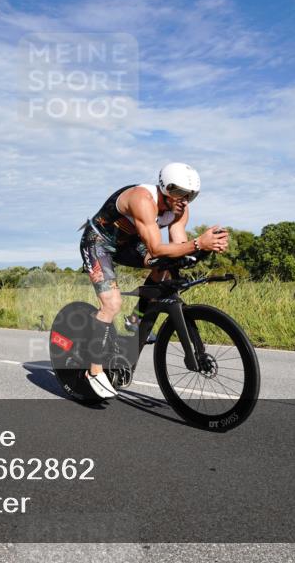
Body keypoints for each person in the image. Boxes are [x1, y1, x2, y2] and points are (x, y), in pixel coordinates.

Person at [78, 163, 230, 399]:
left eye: (191, 195)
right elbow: (157, 248)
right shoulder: (142, 199)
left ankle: (135, 319)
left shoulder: (180, 210)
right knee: (111, 304)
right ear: (165, 188)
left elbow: (179, 249)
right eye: (180, 193)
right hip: (99, 243)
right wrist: (199, 243)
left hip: (130, 244)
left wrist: (205, 249)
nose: (185, 200)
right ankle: (94, 372)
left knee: (168, 266)